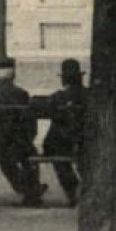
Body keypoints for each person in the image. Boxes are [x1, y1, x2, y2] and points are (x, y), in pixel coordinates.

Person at [0, 56, 47, 206]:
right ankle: (30, 190)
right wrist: (28, 138)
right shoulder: (20, 94)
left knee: (6, 155)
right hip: (14, 145)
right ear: (13, 73)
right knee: (28, 153)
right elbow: (29, 123)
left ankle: (26, 188)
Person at [40, 58, 87, 205]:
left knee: (54, 151)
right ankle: (85, 185)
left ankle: (71, 188)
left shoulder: (57, 97)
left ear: (64, 79)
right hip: (86, 141)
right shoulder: (90, 95)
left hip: (61, 144)